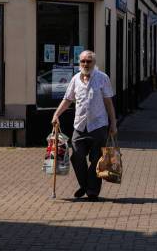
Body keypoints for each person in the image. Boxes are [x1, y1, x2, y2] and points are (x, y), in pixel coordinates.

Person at [51, 50, 117, 200]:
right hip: (80, 126)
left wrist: (113, 124)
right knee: (77, 156)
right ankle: (84, 184)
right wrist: (56, 114)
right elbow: (68, 99)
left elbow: (108, 102)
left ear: (94, 63)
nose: (85, 64)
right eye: (83, 61)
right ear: (79, 63)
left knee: (96, 159)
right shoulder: (75, 79)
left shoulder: (102, 78)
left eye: (89, 61)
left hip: (98, 125)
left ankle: (92, 191)